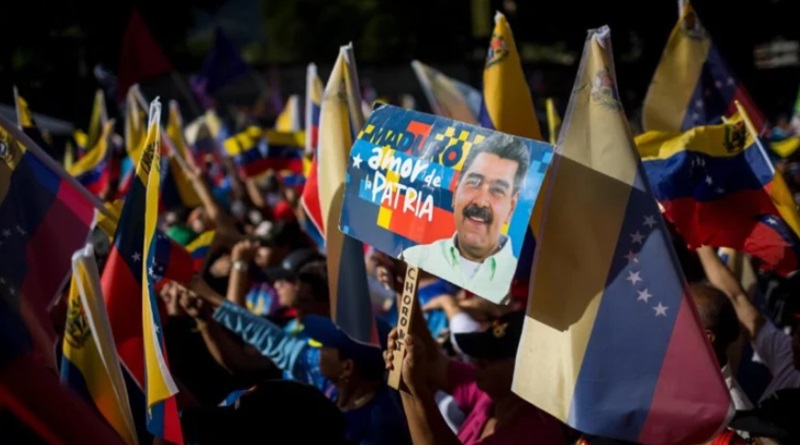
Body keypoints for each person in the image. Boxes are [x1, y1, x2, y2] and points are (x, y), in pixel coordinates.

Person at [385, 310, 567, 445]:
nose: (479, 361)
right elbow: (433, 361)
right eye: (481, 353)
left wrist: (411, 388)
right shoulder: (490, 398)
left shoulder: (535, 432)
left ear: (527, 370)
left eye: (493, 356)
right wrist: (404, 289)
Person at [401, 133, 530, 303]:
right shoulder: (416, 256)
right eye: (474, 183)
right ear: (455, 192)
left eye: (497, 190)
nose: (481, 201)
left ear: (511, 207)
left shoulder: (525, 278)